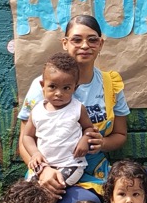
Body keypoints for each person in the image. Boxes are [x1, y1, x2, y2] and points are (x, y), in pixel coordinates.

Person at [18, 15, 134, 203]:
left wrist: (102, 143)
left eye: (92, 40)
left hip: (89, 169)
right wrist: (43, 171)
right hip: (47, 169)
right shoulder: (42, 86)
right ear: (65, 43)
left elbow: (120, 134)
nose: (85, 46)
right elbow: (25, 140)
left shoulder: (110, 84)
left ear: (100, 44)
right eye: (76, 39)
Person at [19, 52, 94, 189]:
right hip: (43, 164)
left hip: (70, 164)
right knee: (28, 190)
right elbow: (27, 136)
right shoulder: (36, 111)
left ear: (75, 88)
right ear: (43, 85)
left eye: (66, 88)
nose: (59, 93)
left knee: (54, 186)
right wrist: (35, 153)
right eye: (52, 86)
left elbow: (89, 128)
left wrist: (85, 140)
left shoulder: (77, 108)